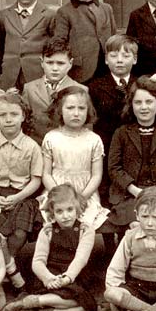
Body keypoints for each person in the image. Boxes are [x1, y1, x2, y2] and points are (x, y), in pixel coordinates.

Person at [0, 184, 97, 311]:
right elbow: (38, 261)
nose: (66, 216)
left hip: (73, 276)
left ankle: (34, 308)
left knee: (84, 310)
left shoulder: (85, 230)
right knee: (75, 302)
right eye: (59, 211)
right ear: (52, 212)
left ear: (78, 208)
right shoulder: (48, 231)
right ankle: (33, 303)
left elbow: (80, 259)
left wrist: (67, 278)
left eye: (70, 210)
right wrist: (48, 278)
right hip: (50, 274)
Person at [0, 91, 43, 290]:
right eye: (3, 115)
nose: (8, 120)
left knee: (19, 231)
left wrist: (18, 196)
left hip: (22, 195)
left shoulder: (32, 147)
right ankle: (9, 269)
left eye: (14, 115)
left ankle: (7, 262)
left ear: (23, 116)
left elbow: (36, 179)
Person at [108, 77, 156, 230]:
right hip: (129, 194)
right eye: (138, 102)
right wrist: (134, 189)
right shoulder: (121, 133)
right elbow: (114, 168)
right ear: (131, 105)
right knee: (135, 222)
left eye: (149, 102)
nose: (143, 107)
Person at [41, 86, 110, 230]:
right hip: (57, 190)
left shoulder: (93, 139)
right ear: (60, 111)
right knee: (56, 220)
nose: (76, 113)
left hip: (84, 192)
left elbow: (97, 175)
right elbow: (46, 174)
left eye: (81, 108)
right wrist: (59, 195)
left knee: (85, 223)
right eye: (70, 108)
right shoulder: (51, 138)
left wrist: (82, 197)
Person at [52, 0, 116, 83]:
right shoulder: (64, 12)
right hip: (80, 71)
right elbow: (59, 43)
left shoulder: (106, 9)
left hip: (106, 68)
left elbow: (114, 38)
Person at [0, 0, 56, 90]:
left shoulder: (49, 15)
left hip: (37, 76)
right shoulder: (3, 15)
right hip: (10, 76)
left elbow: (53, 48)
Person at [22, 38, 87, 144]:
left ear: (70, 64)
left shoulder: (80, 90)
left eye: (60, 63)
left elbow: (86, 130)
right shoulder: (29, 89)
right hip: (37, 148)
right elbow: (24, 125)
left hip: (68, 148)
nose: (55, 68)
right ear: (42, 62)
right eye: (50, 63)